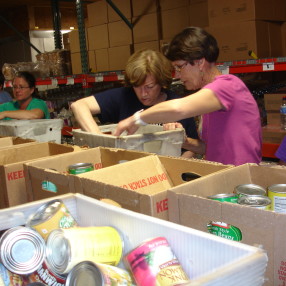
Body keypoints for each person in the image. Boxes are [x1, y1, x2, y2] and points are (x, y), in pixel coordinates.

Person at [114, 27, 262, 166]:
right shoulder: (211, 100)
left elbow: (178, 108)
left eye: (179, 67)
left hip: (241, 184)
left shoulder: (228, 86)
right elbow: (208, 149)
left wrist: (137, 119)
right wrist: (182, 140)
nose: (177, 75)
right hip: (222, 180)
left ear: (199, 62)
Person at [71, 49, 198, 144]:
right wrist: (99, 140)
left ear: (162, 82)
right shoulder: (125, 96)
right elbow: (78, 105)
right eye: (137, 86)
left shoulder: (178, 105)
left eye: (149, 86)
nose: (143, 94)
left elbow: (195, 149)